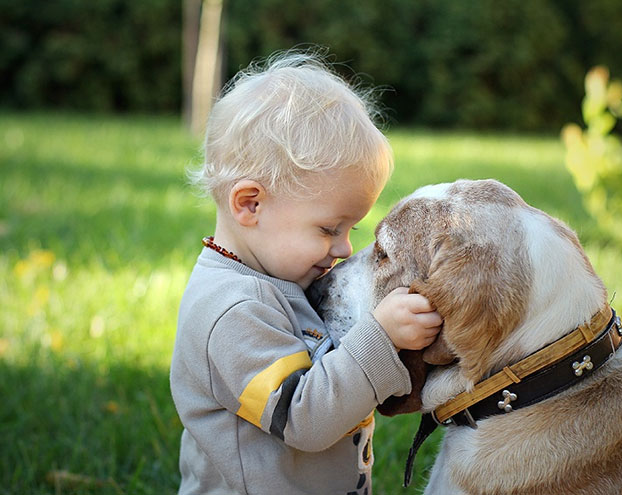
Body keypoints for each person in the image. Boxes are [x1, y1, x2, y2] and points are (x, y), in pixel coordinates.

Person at [170, 49, 443, 495]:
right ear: (250, 204)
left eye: (350, 228)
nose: (344, 247)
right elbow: (304, 418)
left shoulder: (274, 282)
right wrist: (382, 338)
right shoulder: (232, 311)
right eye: (328, 228)